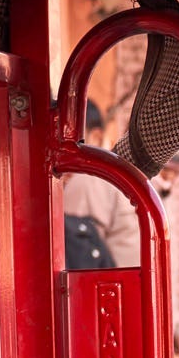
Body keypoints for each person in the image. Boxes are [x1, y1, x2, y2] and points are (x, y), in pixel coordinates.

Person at [60, 99, 142, 265]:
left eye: (66, 140)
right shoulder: (120, 173)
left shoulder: (88, 180)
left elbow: (79, 257)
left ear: (96, 137)